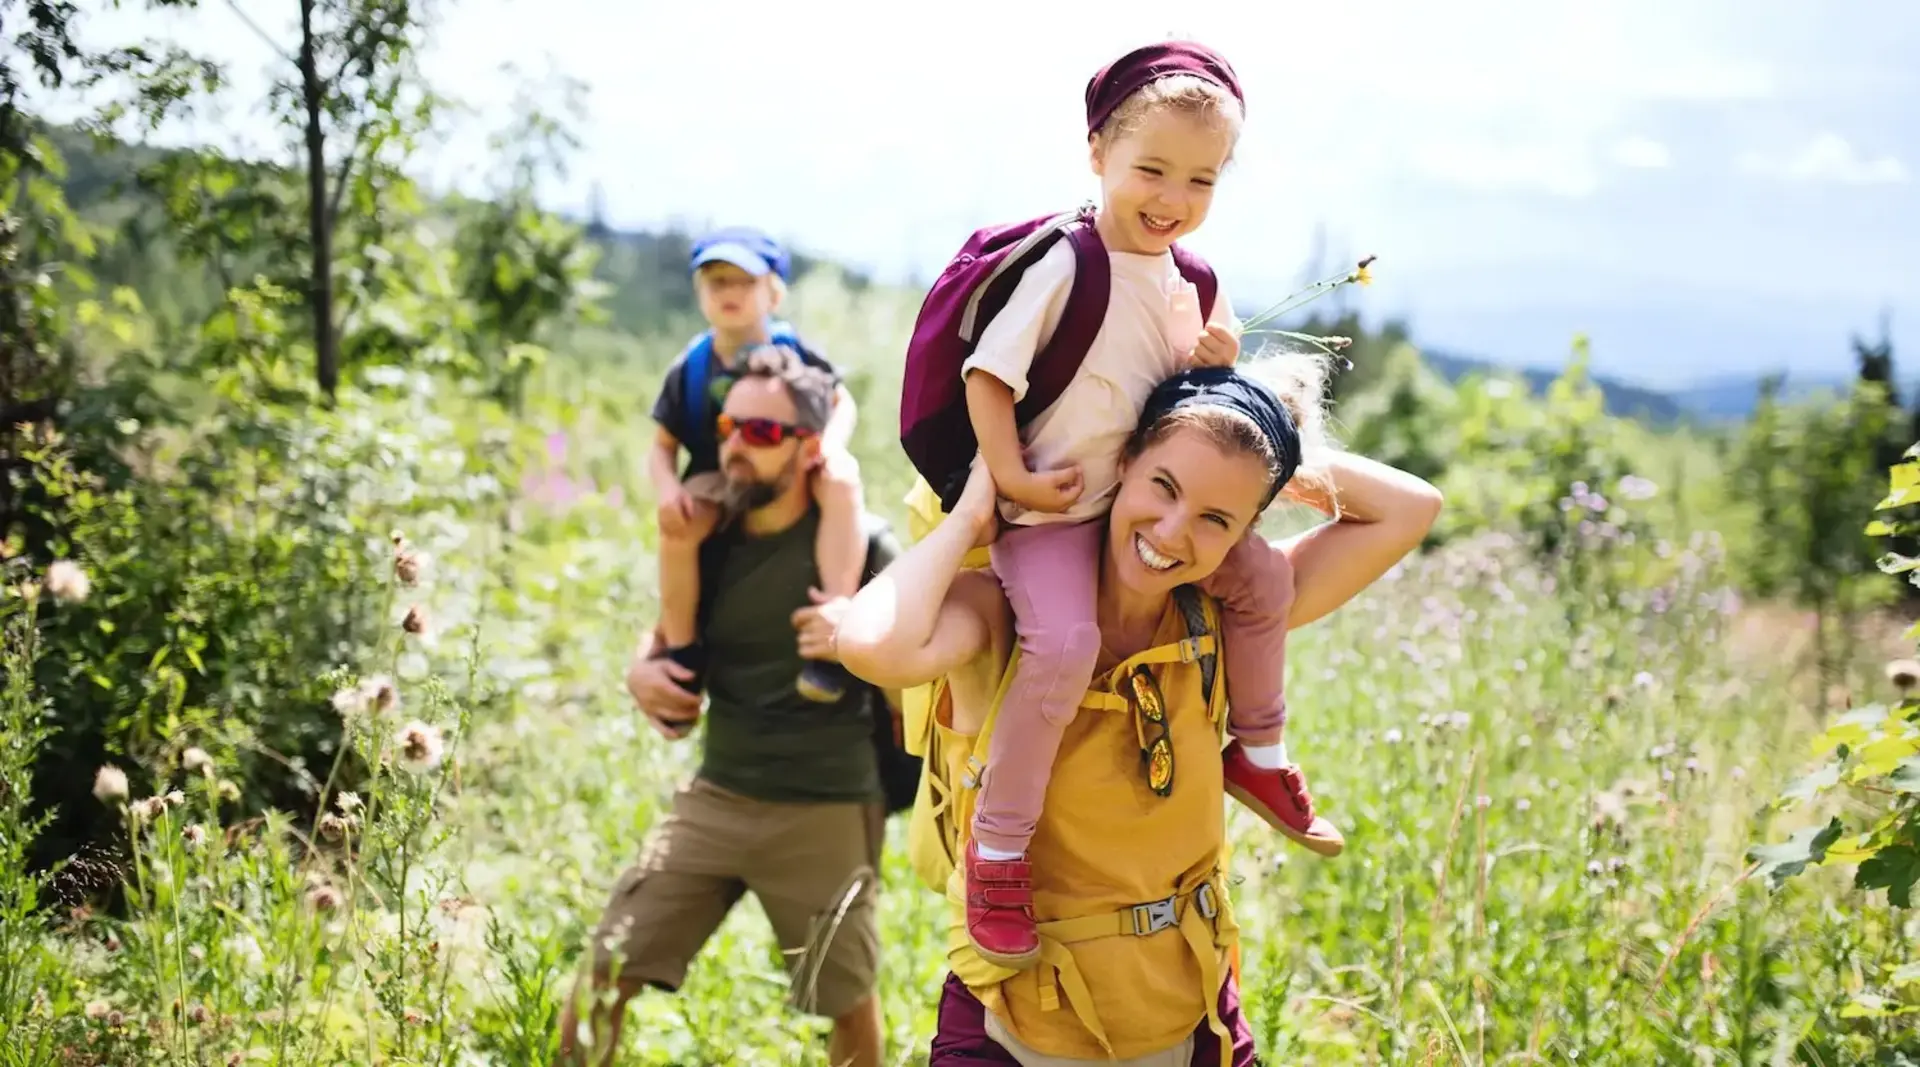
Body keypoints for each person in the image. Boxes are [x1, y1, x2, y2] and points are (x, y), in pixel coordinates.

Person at [836, 361, 1443, 1064]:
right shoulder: (1004, 610)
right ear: (1120, 462)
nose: (1174, 530)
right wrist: (975, 513)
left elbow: (1412, 507)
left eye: (1217, 517)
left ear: (1245, 529)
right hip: (1014, 1024)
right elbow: (871, 645)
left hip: (1192, 1019)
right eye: (1164, 485)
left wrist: (1257, 437)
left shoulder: (1225, 617)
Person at [938, 39, 1341, 972]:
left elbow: (1203, 396)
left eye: (1200, 180)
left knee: (1262, 579)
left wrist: (1215, 357)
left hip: (1139, 513)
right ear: (1097, 155)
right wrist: (1014, 480)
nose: (1172, 197)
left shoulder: (1190, 278)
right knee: (1065, 644)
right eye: (1150, 169)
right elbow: (988, 377)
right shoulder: (1066, 265)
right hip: (1051, 514)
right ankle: (997, 851)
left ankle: (1260, 748)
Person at [558, 347, 899, 1067]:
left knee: (847, 1001)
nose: (737, 445)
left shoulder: (864, 549)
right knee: (601, 973)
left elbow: (917, 670)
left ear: (810, 449)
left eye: (763, 433)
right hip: (717, 794)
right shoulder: (709, 536)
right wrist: (637, 673)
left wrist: (861, 647)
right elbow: (663, 639)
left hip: (827, 804)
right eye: (729, 426)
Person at [648, 225, 866, 705]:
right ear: (699, 292)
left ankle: (831, 624)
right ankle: (682, 651)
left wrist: (829, 444)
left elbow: (840, 401)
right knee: (678, 528)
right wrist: (668, 491)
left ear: (774, 292)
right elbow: (662, 445)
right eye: (716, 282)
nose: (730, 294)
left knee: (842, 480)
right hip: (718, 473)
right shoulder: (691, 366)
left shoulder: (796, 353)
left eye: (744, 282)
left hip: (792, 464)